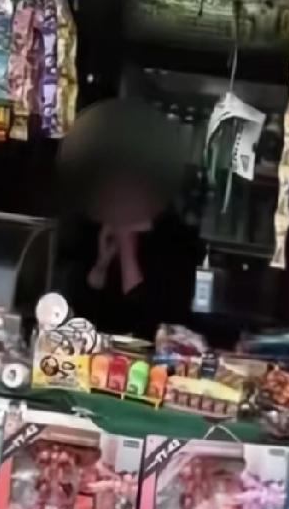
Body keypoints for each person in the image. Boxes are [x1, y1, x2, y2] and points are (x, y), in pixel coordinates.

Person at [54, 98, 201, 341]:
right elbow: (75, 315)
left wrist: (128, 253)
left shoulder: (176, 240)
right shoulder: (89, 230)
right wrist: (101, 265)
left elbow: (159, 325)